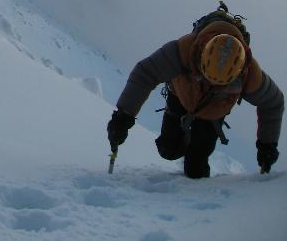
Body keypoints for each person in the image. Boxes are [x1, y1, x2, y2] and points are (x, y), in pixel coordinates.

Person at [107, 11, 284, 178]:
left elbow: (273, 103)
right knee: (168, 150)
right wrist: (123, 116)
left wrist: (267, 144)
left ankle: (195, 170)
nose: (210, 86)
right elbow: (145, 74)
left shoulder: (249, 72)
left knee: (195, 168)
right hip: (182, 96)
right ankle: (185, 138)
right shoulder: (184, 50)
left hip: (212, 112)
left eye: (220, 84)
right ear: (200, 55)